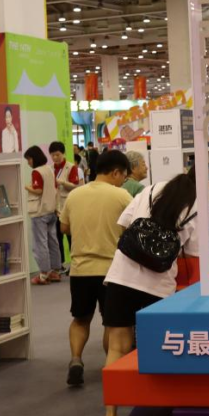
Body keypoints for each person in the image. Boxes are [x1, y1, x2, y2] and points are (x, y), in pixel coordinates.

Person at [102, 164, 209, 416]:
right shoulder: (196, 206)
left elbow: (124, 225)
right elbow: (195, 253)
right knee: (155, 350)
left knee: (116, 347)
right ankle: (154, 408)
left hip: (120, 276)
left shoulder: (151, 189)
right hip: (157, 286)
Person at [60, 150, 131, 387]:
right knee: (112, 322)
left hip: (80, 269)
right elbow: (133, 228)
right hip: (111, 271)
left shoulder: (75, 195)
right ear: (116, 172)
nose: (123, 181)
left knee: (80, 319)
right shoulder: (121, 196)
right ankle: (110, 366)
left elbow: (64, 228)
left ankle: (76, 359)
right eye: (123, 176)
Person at [24, 145, 60, 285]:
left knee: (40, 244)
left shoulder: (37, 172)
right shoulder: (50, 169)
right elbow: (55, 187)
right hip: (51, 210)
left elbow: (38, 190)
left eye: (28, 159)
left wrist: (27, 187)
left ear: (34, 158)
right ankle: (55, 271)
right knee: (53, 241)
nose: (28, 162)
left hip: (39, 212)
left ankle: (44, 274)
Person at [51, 141, 82, 273]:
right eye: (53, 155)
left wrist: (62, 182)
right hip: (56, 208)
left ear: (63, 153)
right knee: (57, 237)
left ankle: (74, 264)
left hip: (68, 207)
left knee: (71, 236)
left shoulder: (71, 167)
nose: (55, 157)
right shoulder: (51, 169)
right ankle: (60, 264)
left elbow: (75, 186)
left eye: (57, 154)